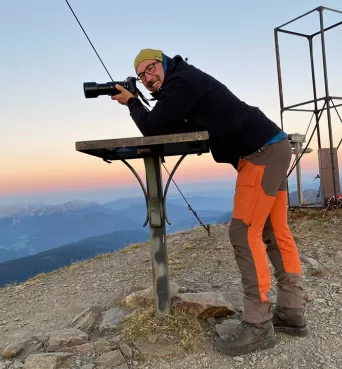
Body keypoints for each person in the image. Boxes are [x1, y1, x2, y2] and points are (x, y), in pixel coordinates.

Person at [111, 48, 308, 356]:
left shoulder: (182, 81)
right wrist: (143, 102)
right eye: (142, 76)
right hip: (272, 146)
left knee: (244, 233)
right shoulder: (181, 84)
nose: (148, 78)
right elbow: (168, 124)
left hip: (260, 154)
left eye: (151, 69)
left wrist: (132, 102)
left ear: (163, 63)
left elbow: (152, 128)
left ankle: (258, 325)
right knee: (273, 230)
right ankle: (292, 312)